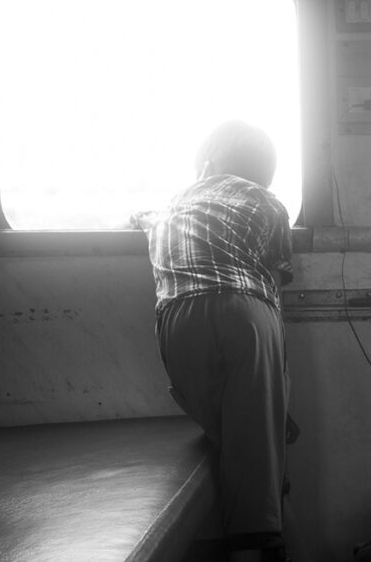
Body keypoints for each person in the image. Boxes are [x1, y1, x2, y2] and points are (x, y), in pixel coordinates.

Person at [134, 121, 298, 561]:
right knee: (257, 451)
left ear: (205, 165)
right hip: (245, 311)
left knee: (228, 436)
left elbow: (144, 221)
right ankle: (258, 543)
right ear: (264, 175)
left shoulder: (172, 205)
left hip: (177, 319)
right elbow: (277, 277)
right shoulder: (267, 204)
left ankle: (234, 539)